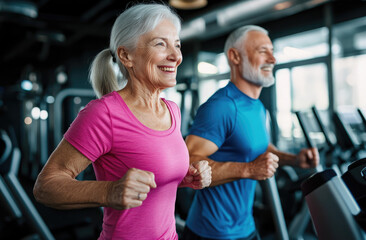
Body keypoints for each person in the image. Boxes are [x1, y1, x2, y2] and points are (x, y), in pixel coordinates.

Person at [33, 3, 212, 240]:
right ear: (126, 56)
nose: (176, 56)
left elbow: (152, 174)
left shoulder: (172, 110)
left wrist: (184, 177)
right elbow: (46, 187)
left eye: (177, 45)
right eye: (161, 43)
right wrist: (110, 191)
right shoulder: (103, 113)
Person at [181, 25, 319, 240]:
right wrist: (248, 169)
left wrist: (294, 160)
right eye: (263, 51)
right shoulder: (222, 106)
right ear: (235, 56)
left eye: (272, 51)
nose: (272, 59)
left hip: (245, 226)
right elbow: (188, 164)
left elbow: (260, 148)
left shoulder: (258, 108)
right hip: (212, 232)